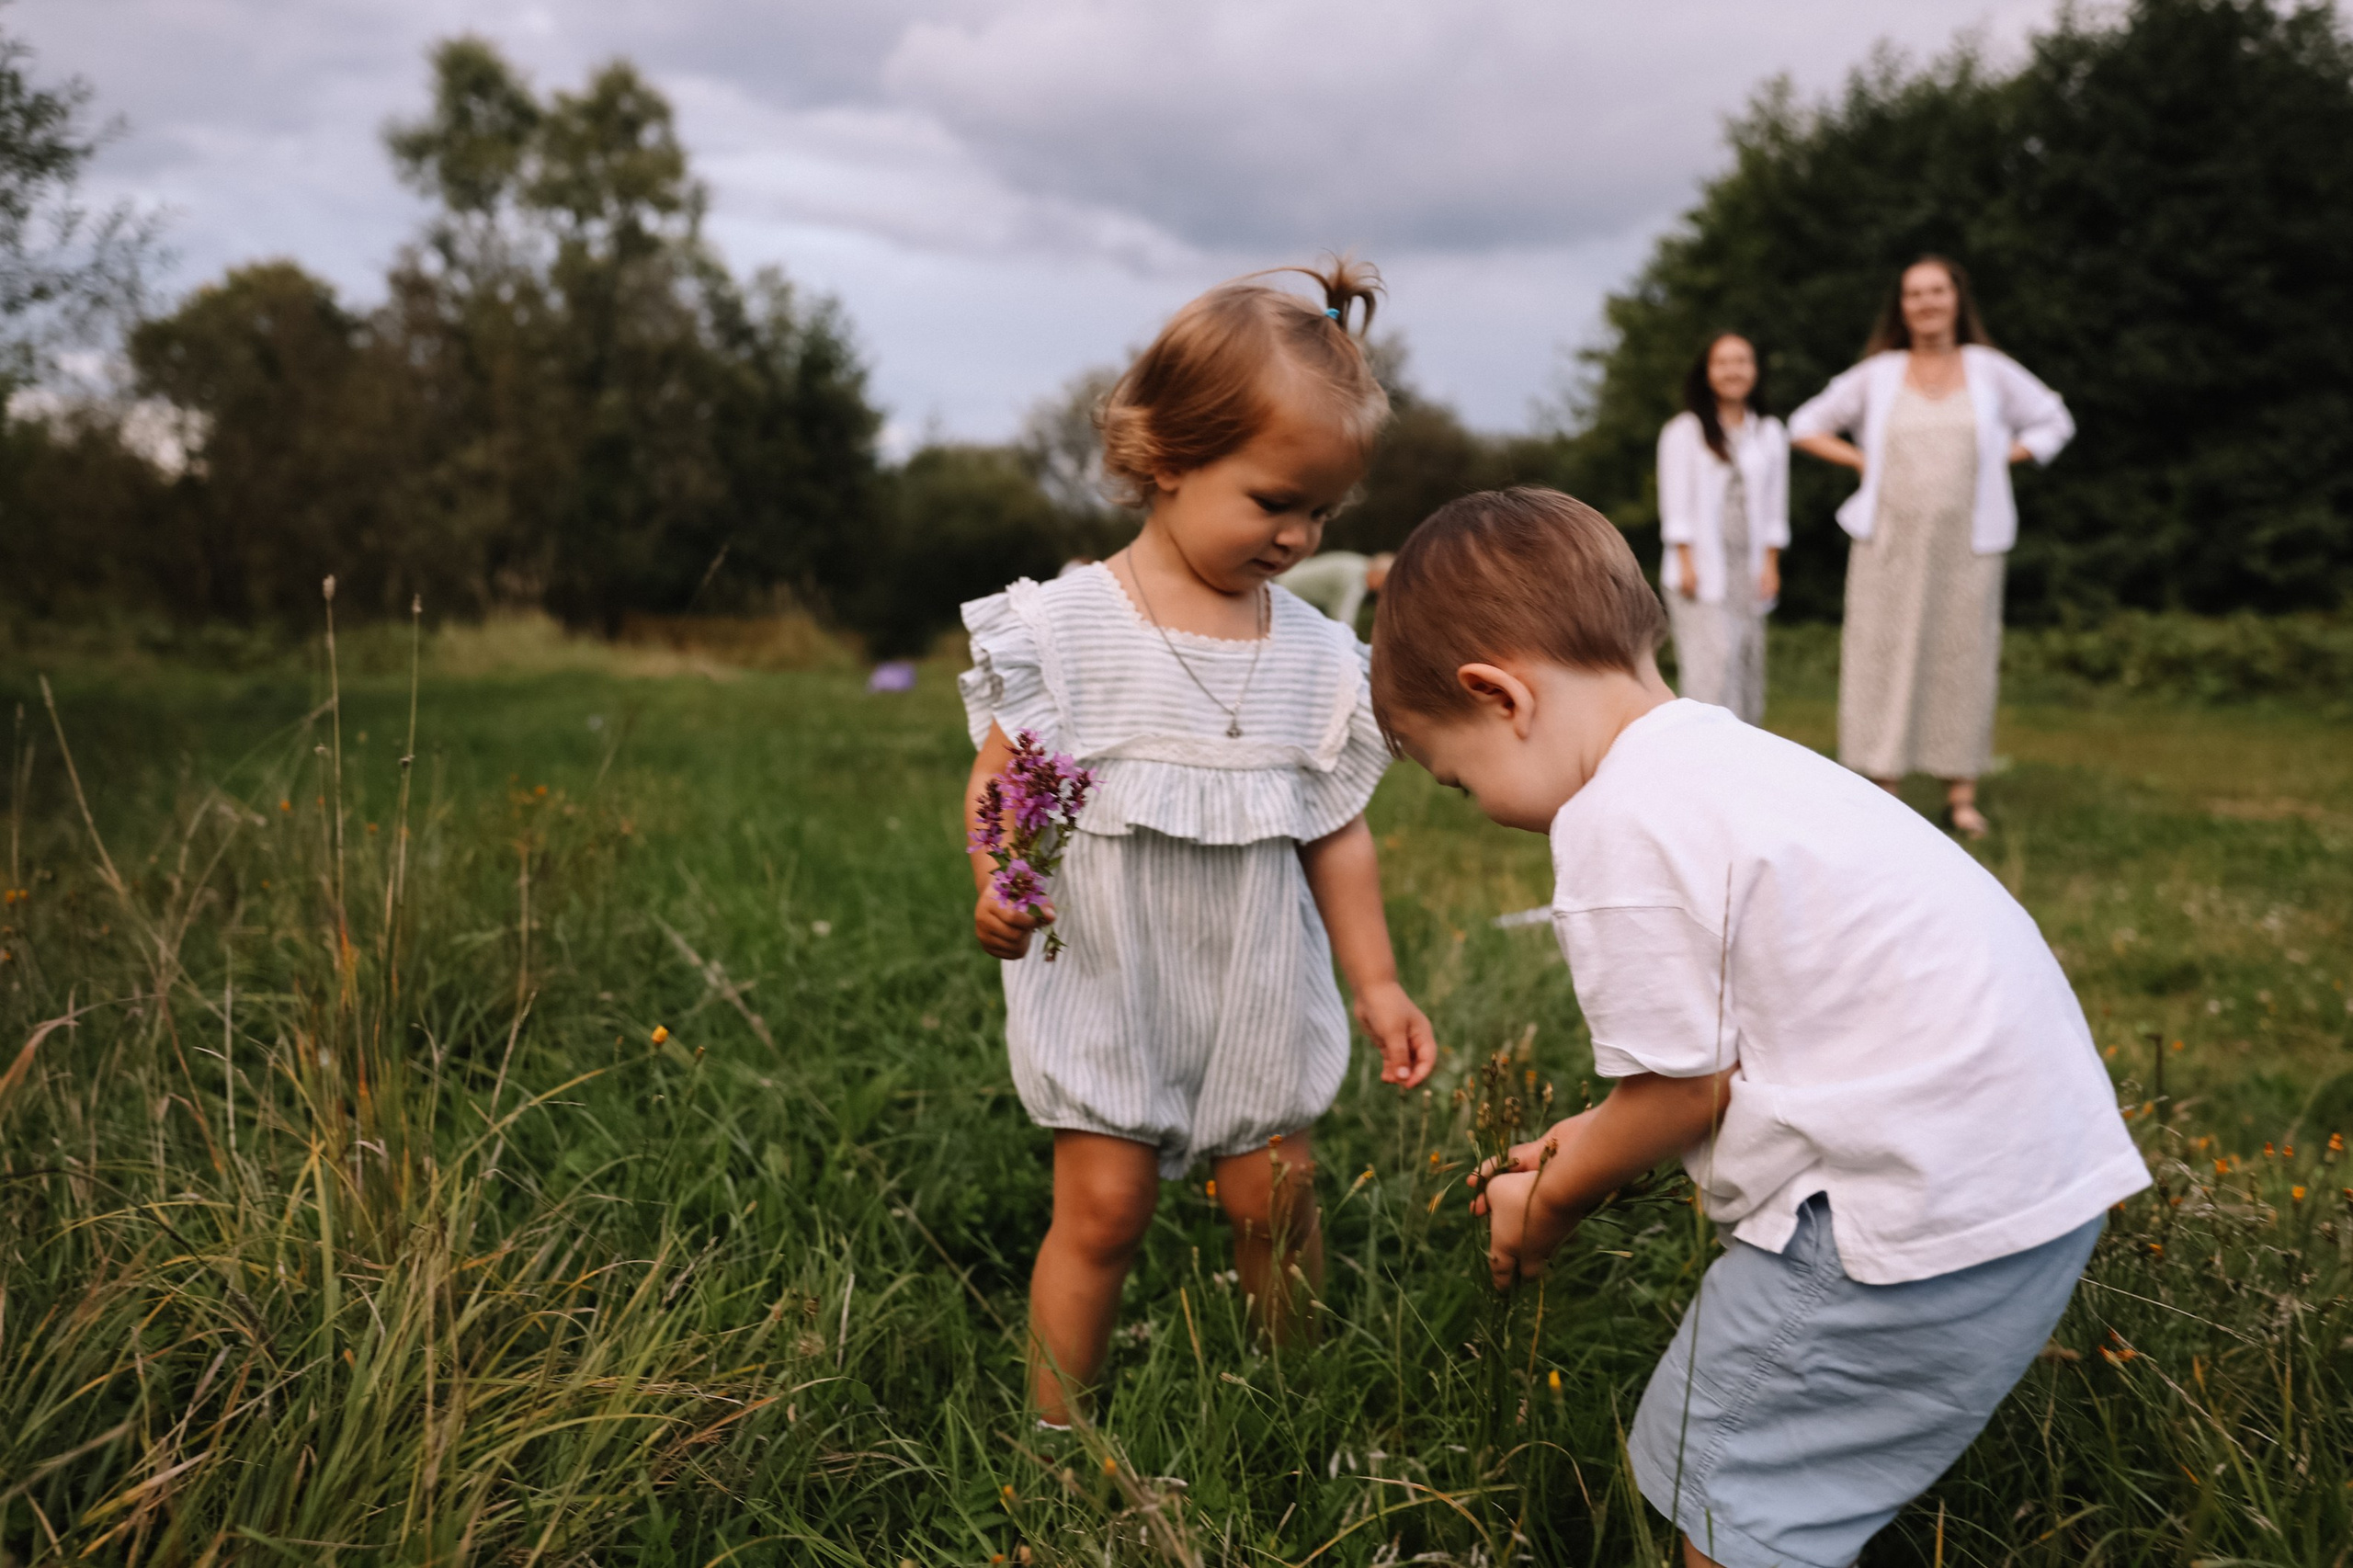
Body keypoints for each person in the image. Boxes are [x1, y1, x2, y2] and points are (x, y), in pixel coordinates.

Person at [1367, 486, 2146, 1568]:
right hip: (2030, 1173)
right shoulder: (1735, 759)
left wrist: (1547, 1198)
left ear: (1498, 696)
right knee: (1780, 1476)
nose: (1487, 807)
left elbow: (1683, 1092)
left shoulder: (1615, 818)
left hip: (1900, 1213)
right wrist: (1587, 1131)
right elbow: (1716, 1057)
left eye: (1458, 780)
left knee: (1721, 1476)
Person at [958, 259, 1438, 1428]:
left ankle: (1294, 1404)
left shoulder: (1319, 654)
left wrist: (1374, 981)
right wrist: (998, 878)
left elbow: (1337, 835)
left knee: (1278, 1194)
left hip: (1255, 979)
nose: (1297, 533)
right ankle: (1056, 1439)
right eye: (1273, 500)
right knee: (1104, 1207)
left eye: (1321, 513)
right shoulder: (1065, 626)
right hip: (1110, 970)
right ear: (1169, 456)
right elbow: (1001, 777)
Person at [1787, 256, 2074, 837]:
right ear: (1902, 307)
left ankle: (1960, 794)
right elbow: (1805, 423)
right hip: (1888, 542)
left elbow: (2053, 420)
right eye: (1914, 294)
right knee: (1880, 654)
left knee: (1962, 655)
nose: (1926, 303)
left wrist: (2004, 457)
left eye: (1936, 292)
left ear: (1956, 299)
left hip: (1968, 542)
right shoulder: (1879, 373)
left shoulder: (1989, 369)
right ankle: (1882, 783)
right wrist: (1861, 459)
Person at [1656, 335, 1789, 722]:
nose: (1734, 370)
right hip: (1699, 568)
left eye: (1742, 361)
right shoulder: (1684, 430)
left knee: (1746, 664)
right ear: (1708, 372)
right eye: (1723, 362)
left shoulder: (1768, 432)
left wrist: (1770, 562)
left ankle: (1745, 761)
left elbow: (1775, 505)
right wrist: (1686, 561)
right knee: (1713, 665)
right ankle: (1702, 760)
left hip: (1747, 568)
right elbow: (1675, 503)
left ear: (1755, 370)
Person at [1276, 549, 1394, 631]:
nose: (1381, 589)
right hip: (1288, 589)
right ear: (1378, 573)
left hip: (1287, 577)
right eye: (1384, 582)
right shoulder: (1356, 577)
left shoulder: (1358, 563)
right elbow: (1343, 619)